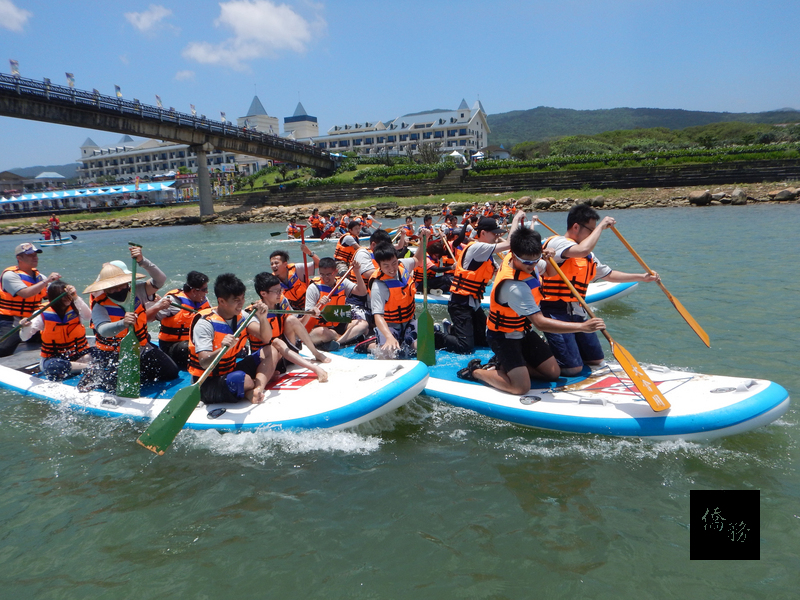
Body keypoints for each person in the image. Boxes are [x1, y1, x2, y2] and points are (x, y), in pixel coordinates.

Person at [462, 224, 605, 393]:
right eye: (526, 262)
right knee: (521, 387)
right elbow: (540, 323)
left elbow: (550, 272)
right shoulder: (514, 286)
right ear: (513, 254)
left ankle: (504, 365)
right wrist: (582, 326)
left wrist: (549, 258)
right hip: (503, 337)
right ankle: (476, 371)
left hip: (524, 331)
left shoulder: (527, 259)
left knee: (553, 373)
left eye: (535, 259)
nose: (531, 265)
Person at [538, 204, 660, 375]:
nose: (593, 234)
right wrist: (602, 226)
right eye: (591, 230)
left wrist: (642, 277)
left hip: (578, 311)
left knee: (595, 359)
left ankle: (566, 349)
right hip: (554, 311)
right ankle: (542, 350)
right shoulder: (557, 243)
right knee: (572, 368)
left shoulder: (588, 256)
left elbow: (609, 274)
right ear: (576, 227)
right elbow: (582, 249)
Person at [78, 246, 178, 392]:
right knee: (115, 386)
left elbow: (160, 280)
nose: (118, 290)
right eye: (112, 288)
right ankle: (96, 372)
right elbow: (103, 330)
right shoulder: (100, 305)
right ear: (105, 289)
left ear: (126, 282)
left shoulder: (137, 291)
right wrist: (122, 323)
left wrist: (142, 261)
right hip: (114, 353)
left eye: (120, 286)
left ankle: (138, 370)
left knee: (171, 372)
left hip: (140, 347)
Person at [435, 213, 523, 354]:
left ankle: (453, 330)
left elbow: (502, 268)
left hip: (473, 304)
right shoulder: (478, 248)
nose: (496, 236)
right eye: (494, 233)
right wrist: (516, 219)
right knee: (465, 347)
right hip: (460, 304)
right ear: (482, 233)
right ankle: (436, 336)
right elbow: (509, 244)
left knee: (483, 340)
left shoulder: (487, 254)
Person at [187, 273, 276, 405]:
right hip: (207, 381)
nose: (241, 303)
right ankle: (249, 388)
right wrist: (222, 349)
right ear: (221, 301)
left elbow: (266, 338)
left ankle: (257, 389)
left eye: (242, 298)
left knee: (271, 350)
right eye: (236, 300)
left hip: (230, 370)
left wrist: (263, 318)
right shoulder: (205, 323)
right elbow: (204, 362)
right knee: (244, 380)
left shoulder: (242, 316)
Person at [250, 272, 329, 381]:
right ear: (263, 293)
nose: (280, 293)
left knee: (291, 319)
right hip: (268, 357)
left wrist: (309, 313)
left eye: (281, 289)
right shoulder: (252, 313)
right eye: (276, 291)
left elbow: (298, 323)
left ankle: (316, 353)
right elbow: (266, 339)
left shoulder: (282, 302)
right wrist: (262, 317)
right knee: (276, 342)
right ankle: (314, 368)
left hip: (285, 352)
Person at [367, 228, 429, 358]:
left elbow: (418, 259)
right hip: (390, 327)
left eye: (394, 263)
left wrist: (424, 240)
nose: (392, 269)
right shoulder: (379, 285)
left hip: (408, 322)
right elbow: (378, 316)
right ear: (379, 265)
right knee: (387, 355)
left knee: (423, 348)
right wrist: (389, 337)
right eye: (386, 266)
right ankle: (369, 344)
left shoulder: (402, 266)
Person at [18, 281, 94, 381]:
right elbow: (24, 337)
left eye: (68, 295)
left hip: (78, 354)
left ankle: (78, 367)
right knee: (53, 367)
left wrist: (75, 297)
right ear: (54, 297)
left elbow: (88, 316)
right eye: (63, 296)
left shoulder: (76, 305)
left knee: (102, 352)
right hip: (55, 358)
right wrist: (26, 327)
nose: (67, 298)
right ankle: (87, 367)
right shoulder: (42, 313)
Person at [0, 243, 60, 357]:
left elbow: (51, 296)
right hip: (11, 320)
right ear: (19, 258)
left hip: (32, 319)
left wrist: (63, 290)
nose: (35, 257)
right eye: (30, 255)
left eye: (35, 254)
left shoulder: (40, 277)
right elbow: (25, 294)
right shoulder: (10, 275)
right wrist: (47, 281)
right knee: (4, 349)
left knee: (54, 339)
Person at [303, 257, 369, 349]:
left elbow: (362, 292)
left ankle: (338, 342)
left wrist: (357, 271)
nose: (325, 278)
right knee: (323, 333)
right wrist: (318, 305)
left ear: (336, 271)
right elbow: (308, 313)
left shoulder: (342, 282)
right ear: (319, 272)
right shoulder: (313, 288)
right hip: (320, 327)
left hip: (338, 324)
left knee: (363, 324)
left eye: (328, 274)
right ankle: (348, 338)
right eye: (322, 274)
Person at [155, 271, 211, 370]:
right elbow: (149, 318)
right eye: (204, 289)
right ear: (194, 291)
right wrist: (157, 306)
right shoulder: (173, 301)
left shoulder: (204, 300)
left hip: (195, 342)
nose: (206, 292)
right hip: (172, 345)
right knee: (187, 347)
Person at [270, 245, 319, 310]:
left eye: (276, 263)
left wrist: (309, 253)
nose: (273, 266)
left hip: (312, 303)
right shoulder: (272, 280)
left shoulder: (297, 269)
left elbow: (319, 264)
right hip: (295, 309)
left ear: (285, 264)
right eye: (271, 264)